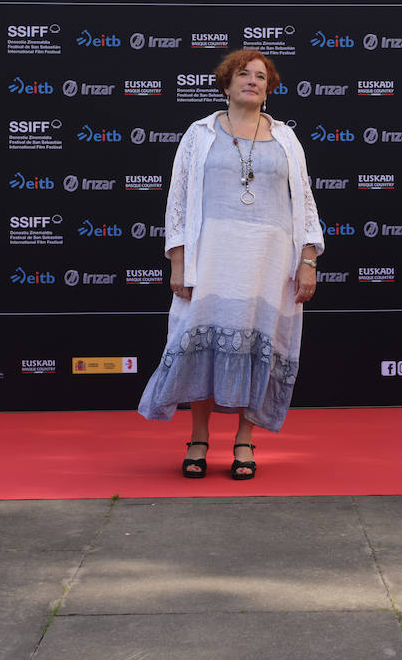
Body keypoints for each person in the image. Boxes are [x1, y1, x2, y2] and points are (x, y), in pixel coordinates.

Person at [137, 49, 324, 480]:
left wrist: (308, 258)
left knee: (258, 344)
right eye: (243, 74)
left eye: (261, 76)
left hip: (269, 262)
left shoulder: (286, 138)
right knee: (200, 343)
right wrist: (179, 260)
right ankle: (198, 438)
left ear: (269, 89)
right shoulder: (199, 133)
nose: (253, 81)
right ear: (226, 83)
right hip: (213, 257)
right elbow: (178, 201)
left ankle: (245, 441)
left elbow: (306, 204)